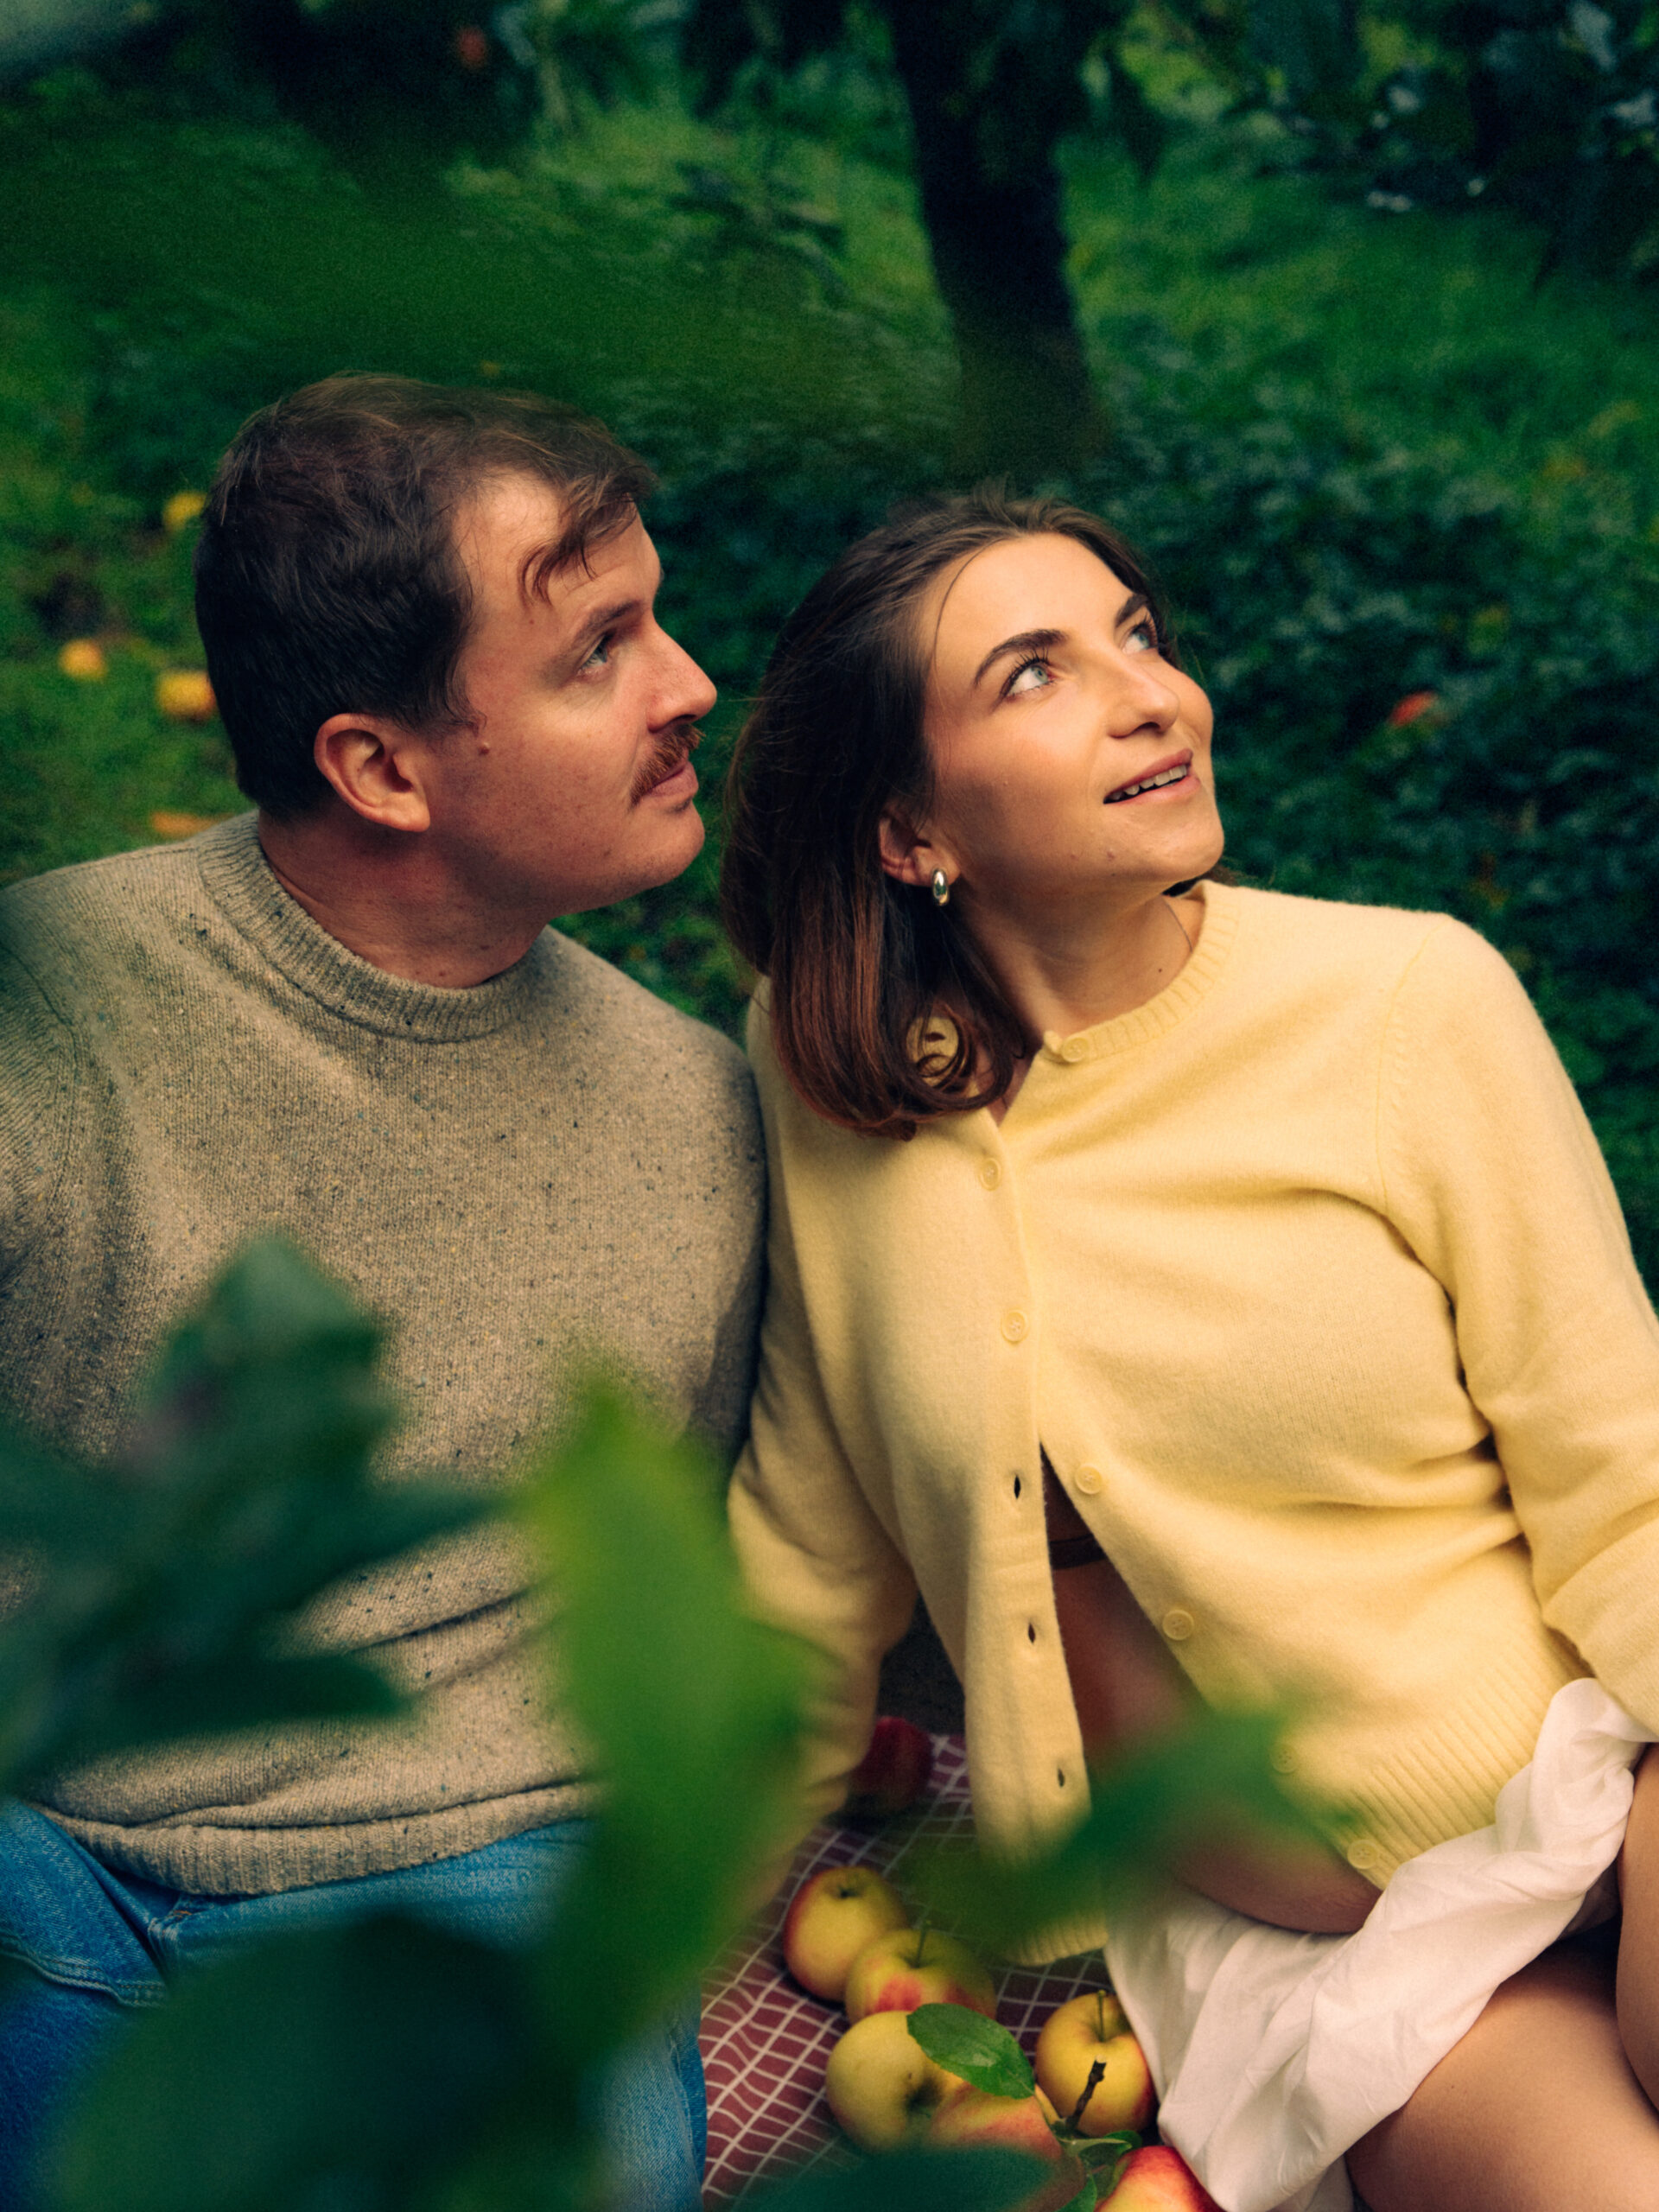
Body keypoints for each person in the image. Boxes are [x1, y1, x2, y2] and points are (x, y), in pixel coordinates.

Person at [719, 489, 1659, 2212]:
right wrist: (650, 1920)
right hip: (1329, 1949)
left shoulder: (1409, 1002)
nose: (1152, 692)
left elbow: (1626, 1461)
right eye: (1034, 673)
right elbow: (806, 1529)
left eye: (1138, 634)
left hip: (1608, 1746)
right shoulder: (830, 1083)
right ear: (908, 825)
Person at [0, 375, 765, 2208]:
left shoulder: (696, 1118)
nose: (690, 685)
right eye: (600, 649)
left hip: (462, 1865)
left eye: (655, 619)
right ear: (381, 766)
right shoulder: (50, 1005)